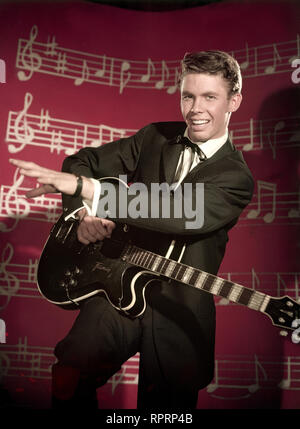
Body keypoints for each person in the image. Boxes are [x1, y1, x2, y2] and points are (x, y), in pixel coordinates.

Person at [10, 50, 254, 409]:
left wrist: (92, 191)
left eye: (210, 97)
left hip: (179, 314)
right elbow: (82, 164)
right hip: (115, 288)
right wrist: (82, 216)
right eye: (188, 96)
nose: (195, 108)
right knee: (69, 374)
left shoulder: (236, 177)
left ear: (234, 100)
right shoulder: (154, 137)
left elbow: (181, 212)